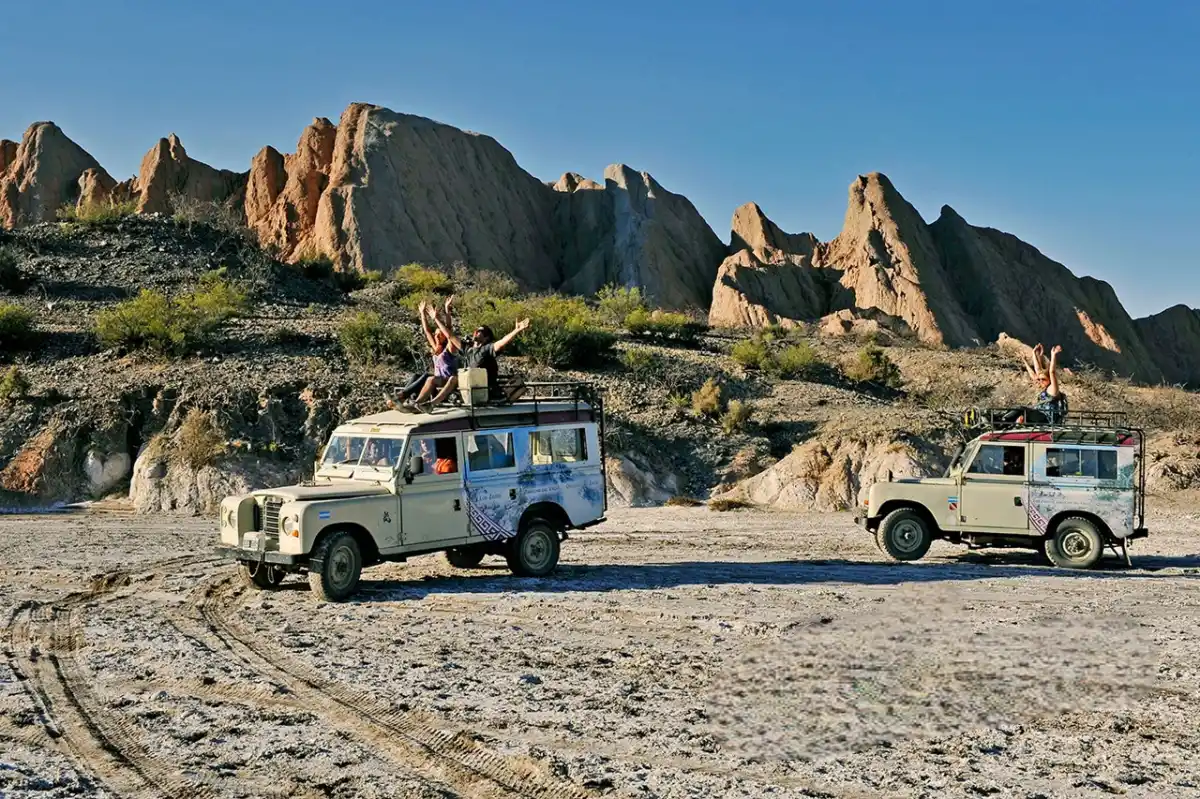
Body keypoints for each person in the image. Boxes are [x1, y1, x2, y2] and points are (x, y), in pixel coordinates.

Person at [425, 296, 531, 407]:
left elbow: (501, 342)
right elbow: (449, 335)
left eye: (480, 331)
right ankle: (420, 403)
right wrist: (436, 318)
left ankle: (432, 403)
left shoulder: (486, 349)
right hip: (468, 387)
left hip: (482, 390)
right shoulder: (467, 349)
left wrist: (516, 330)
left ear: (486, 338)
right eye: (476, 331)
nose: (475, 333)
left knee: (453, 379)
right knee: (435, 379)